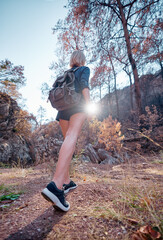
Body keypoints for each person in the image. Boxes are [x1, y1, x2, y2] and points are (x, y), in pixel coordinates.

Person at [41, 50, 90, 211]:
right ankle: (55, 185)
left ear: (71, 60)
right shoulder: (84, 69)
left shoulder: (66, 73)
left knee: (67, 141)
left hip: (62, 110)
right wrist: (89, 106)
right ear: (82, 60)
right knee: (72, 138)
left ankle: (66, 182)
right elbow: (84, 86)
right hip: (78, 106)